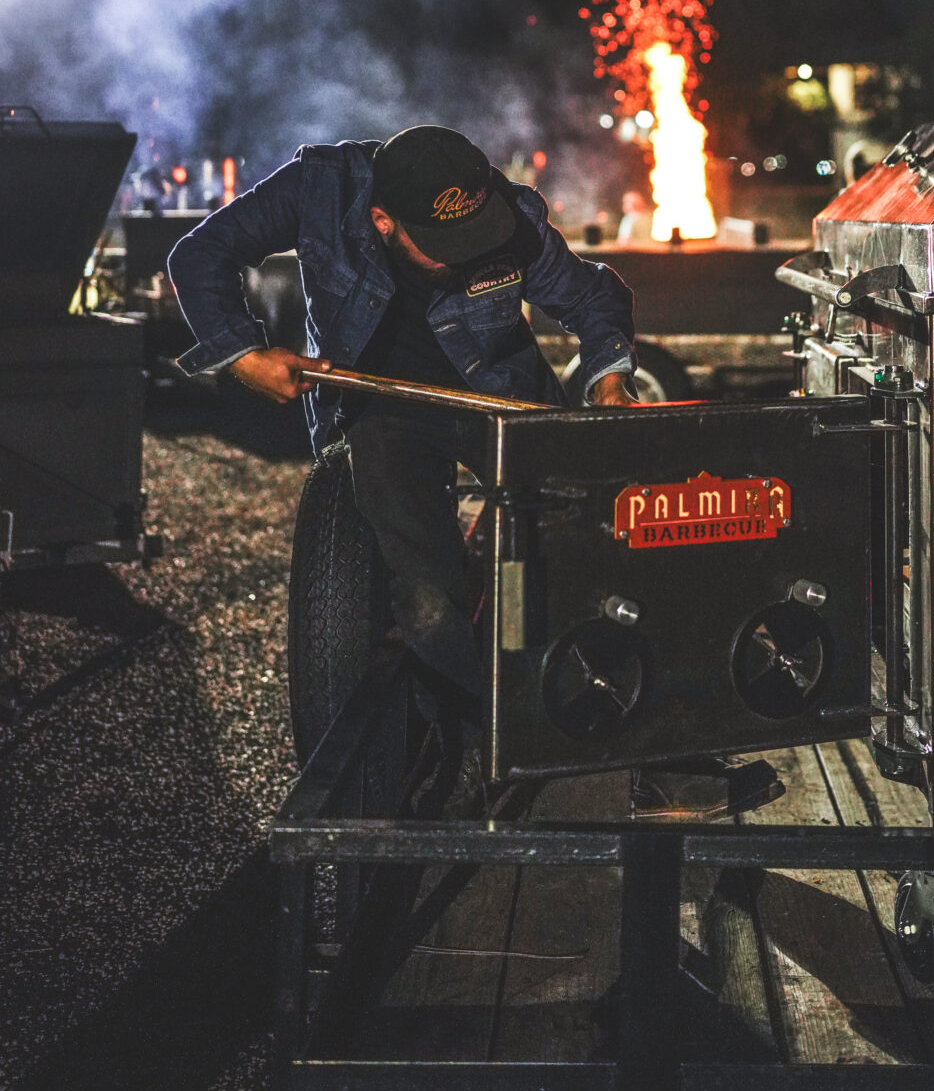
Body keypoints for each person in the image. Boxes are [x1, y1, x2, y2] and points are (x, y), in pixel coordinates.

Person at [167, 124, 637, 791]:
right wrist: (244, 355)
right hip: (384, 409)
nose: (470, 253)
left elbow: (593, 298)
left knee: (587, 542)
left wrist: (609, 380)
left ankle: (603, 680)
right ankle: (504, 714)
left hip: (500, 394)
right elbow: (199, 252)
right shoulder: (321, 189)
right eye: (445, 245)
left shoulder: (507, 214)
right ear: (382, 220)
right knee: (427, 605)